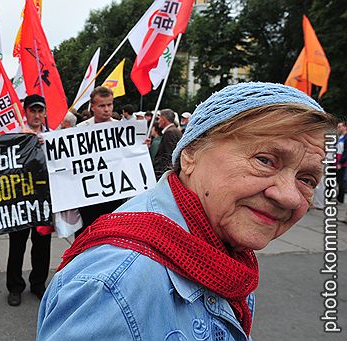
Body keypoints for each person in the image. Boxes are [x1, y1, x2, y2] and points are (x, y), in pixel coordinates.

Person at [37, 82, 334, 340]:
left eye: (307, 179)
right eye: (265, 160)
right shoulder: (112, 290)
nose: (290, 197)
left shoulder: (222, 255)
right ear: (190, 154)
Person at [6, 94, 52, 307]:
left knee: (42, 244)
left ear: (45, 113)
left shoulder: (53, 136)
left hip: (43, 200)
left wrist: (46, 145)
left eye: (40, 110)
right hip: (19, 200)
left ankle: (38, 284)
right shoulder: (14, 134)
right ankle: (15, 287)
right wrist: (20, 142)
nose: (37, 115)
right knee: (17, 245)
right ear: (25, 112)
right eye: (32, 110)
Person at [75, 86, 124, 237]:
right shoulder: (80, 129)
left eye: (110, 104)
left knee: (109, 234)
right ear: (93, 107)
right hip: (88, 194)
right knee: (86, 234)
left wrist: (141, 146)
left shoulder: (122, 129)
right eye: (102, 105)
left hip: (114, 193)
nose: (107, 109)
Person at [153, 108, 182, 179]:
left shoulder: (169, 132)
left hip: (166, 175)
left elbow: (169, 156)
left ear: (163, 119)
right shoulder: (175, 131)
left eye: (159, 119)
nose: (158, 121)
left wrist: (164, 177)